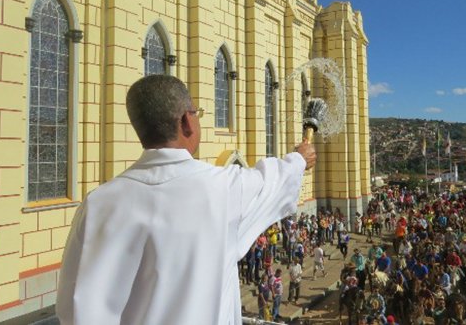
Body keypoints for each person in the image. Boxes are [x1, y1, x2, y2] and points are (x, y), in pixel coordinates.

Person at [55, 75, 317, 325]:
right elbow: (274, 179)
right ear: (186, 122)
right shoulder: (223, 191)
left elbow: (73, 309)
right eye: (196, 113)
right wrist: (300, 157)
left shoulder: (98, 204)